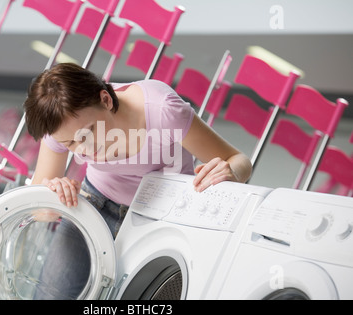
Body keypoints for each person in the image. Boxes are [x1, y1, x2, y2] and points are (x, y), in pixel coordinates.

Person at [23, 62, 252, 299]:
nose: (84, 148)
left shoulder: (163, 111)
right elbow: (40, 211)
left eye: (88, 132)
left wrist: (231, 172)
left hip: (161, 218)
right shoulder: (59, 124)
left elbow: (239, 160)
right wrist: (54, 199)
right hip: (94, 206)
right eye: (70, 144)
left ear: (106, 100)